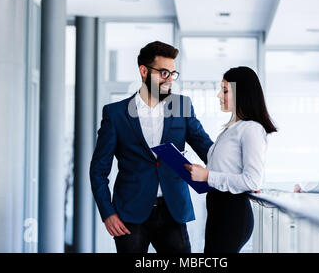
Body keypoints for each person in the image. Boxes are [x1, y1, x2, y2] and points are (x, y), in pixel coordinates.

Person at [90, 41, 213, 253]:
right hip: (130, 214)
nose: (169, 80)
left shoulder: (181, 106)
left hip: (173, 210)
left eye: (173, 74)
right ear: (144, 71)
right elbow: (98, 170)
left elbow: (206, 147)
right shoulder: (116, 113)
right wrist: (107, 212)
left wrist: (240, 174)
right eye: (164, 72)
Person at [185, 66, 277, 253]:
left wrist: (207, 176)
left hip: (232, 213)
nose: (219, 95)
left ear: (241, 92)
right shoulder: (231, 129)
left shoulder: (251, 129)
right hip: (218, 210)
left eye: (225, 90)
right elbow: (224, 168)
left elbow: (252, 180)